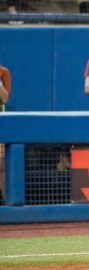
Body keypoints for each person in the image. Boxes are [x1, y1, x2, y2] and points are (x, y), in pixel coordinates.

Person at [0, 64, 11, 203]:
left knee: (1, 167)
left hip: (1, 125)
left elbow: (5, 98)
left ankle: (7, 201)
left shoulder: (4, 72)